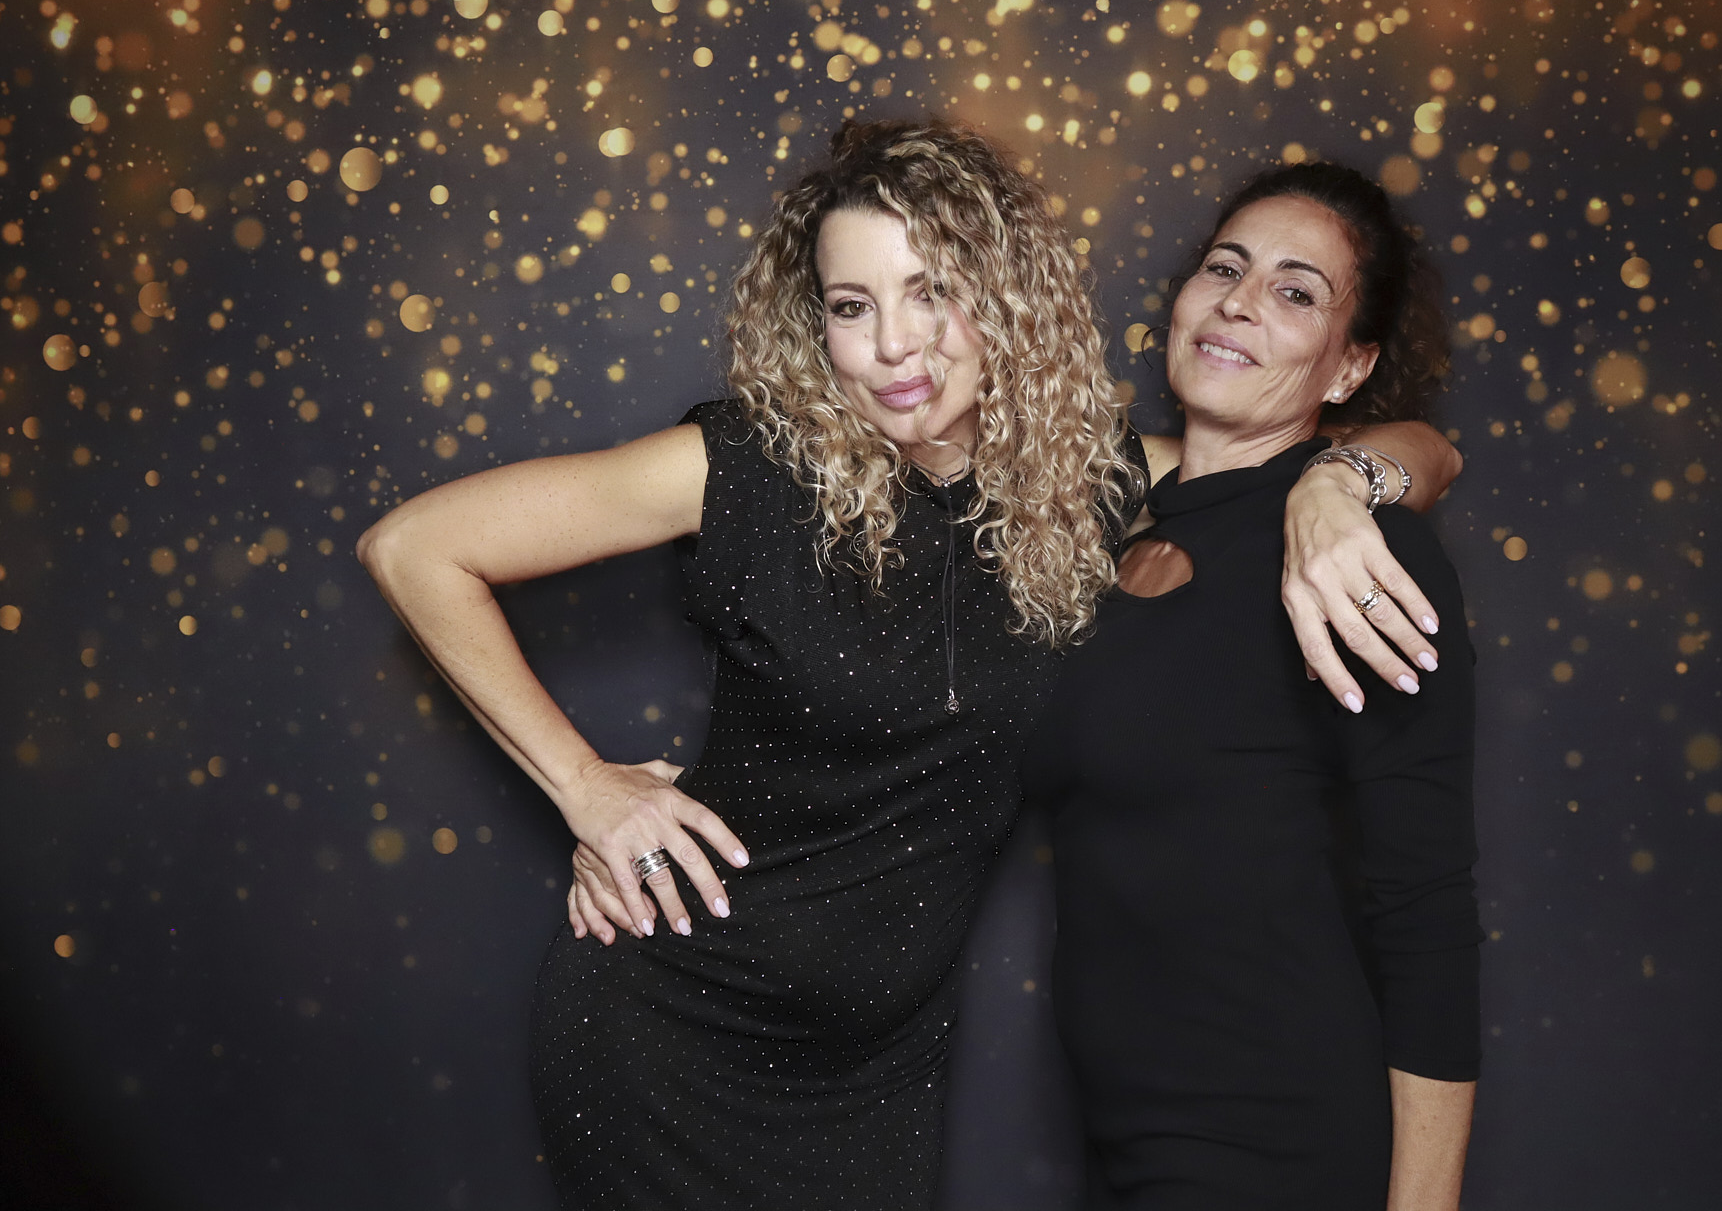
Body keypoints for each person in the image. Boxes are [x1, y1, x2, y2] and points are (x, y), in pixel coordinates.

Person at [359, 121, 1459, 1210]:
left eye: (931, 292)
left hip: (876, 1077)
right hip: (674, 1027)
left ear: (1003, 295)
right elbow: (414, 548)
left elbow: (1366, 450)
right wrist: (584, 787)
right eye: (851, 305)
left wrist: (1344, 480)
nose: (893, 346)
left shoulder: (1083, 486)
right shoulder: (748, 467)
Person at [1022, 160, 1481, 1210]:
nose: (1239, 301)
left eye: (1295, 291)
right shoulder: (1103, 524)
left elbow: (1427, 915)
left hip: (1272, 1142)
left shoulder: (1363, 556)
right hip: (1123, 1141)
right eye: (1225, 268)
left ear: (1348, 366)